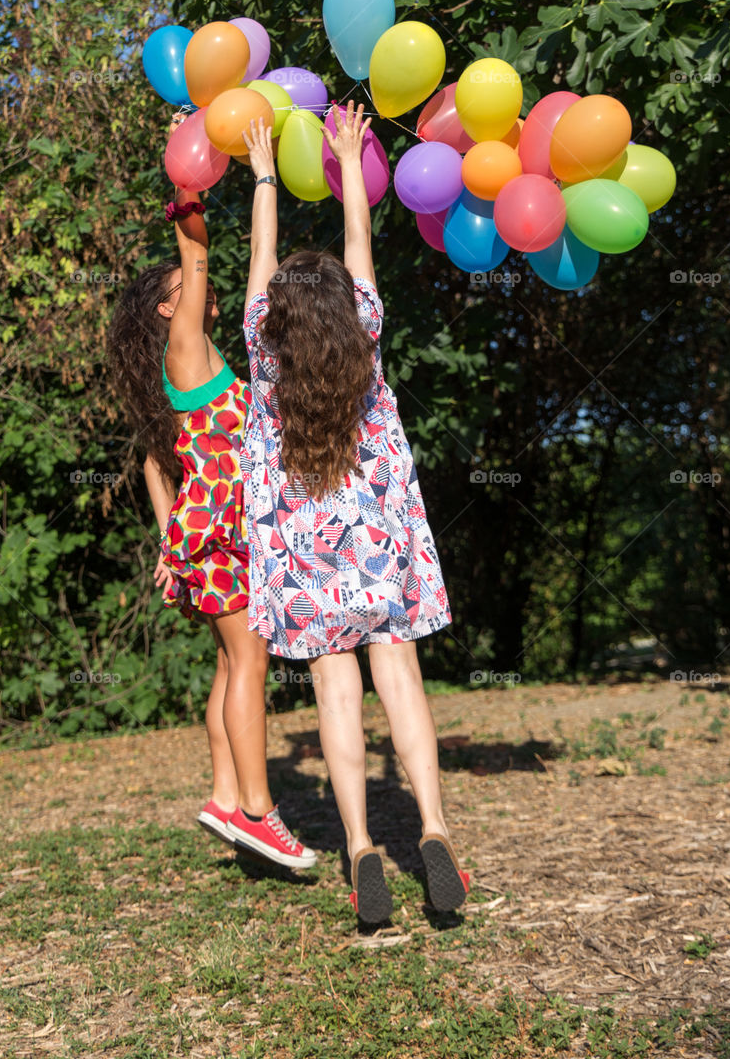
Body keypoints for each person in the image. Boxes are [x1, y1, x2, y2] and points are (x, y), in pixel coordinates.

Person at [240, 104, 468, 922]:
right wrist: (346, 160)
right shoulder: (364, 337)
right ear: (345, 310)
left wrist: (263, 174)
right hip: (381, 547)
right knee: (397, 678)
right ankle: (435, 831)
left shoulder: (265, 352)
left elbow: (265, 261)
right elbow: (357, 251)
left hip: (307, 564)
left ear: (277, 314)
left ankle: (362, 849)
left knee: (336, 695)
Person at [107, 120, 315, 870]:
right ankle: (261, 813)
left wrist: (170, 542)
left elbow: (157, 466)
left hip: (205, 533)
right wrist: (185, 176)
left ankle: (227, 796)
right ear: (169, 310)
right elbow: (196, 249)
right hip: (223, 535)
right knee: (250, 665)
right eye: (181, 291)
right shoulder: (186, 345)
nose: (196, 288)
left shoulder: (187, 368)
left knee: (232, 666)